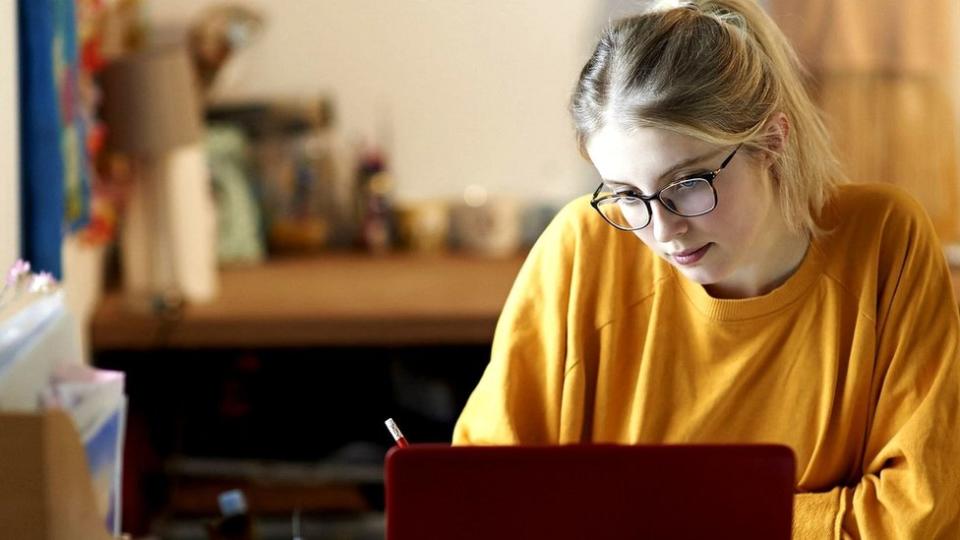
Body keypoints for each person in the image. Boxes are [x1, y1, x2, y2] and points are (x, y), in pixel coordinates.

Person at [452, 0, 960, 538]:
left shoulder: (884, 241)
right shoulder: (582, 246)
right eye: (626, 194)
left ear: (771, 140)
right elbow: (484, 493)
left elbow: (919, 514)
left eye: (688, 183)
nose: (664, 231)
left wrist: (658, 515)